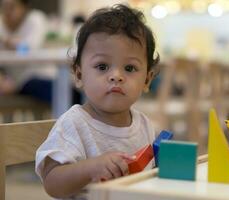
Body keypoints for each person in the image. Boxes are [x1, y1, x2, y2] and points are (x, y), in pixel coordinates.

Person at [35, 4, 160, 199]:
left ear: (147, 79)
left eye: (129, 68)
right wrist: (90, 168)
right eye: (102, 66)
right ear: (79, 74)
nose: (116, 76)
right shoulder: (74, 123)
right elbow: (52, 183)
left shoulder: (144, 124)